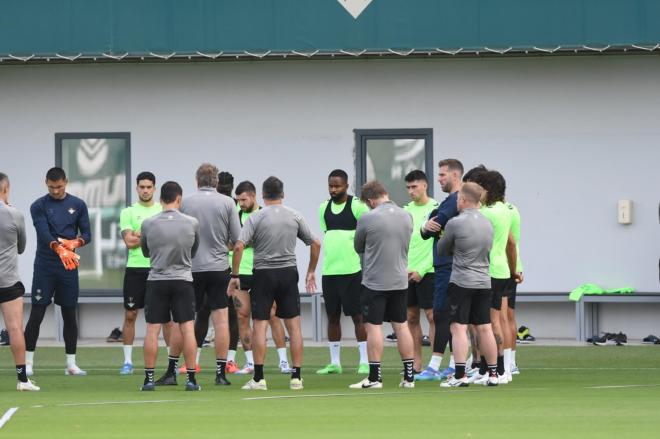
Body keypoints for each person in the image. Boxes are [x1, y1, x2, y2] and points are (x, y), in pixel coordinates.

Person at [229, 176, 320, 390]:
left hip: (263, 274)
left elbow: (239, 246)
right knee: (294, 326)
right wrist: (311, 271)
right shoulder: (294, 215)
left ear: (262, 195)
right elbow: (315, 243)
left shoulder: (256, 217)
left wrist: (234, 276)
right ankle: (296, 378)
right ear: (283, 194)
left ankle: (259, 379)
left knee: (260, 324)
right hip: (288, 273)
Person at [172, 163, 241, 386]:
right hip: (219, 267)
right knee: (221, 321)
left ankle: (179, 368)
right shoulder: (228, 202)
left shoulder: (187, 202)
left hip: (191, 268)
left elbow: (179, 235)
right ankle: (220, 372)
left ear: (196, 181)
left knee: (185, 321)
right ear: (216, 182)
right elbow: (236, 240)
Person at [24, 167, 90, 376]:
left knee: (70, 313)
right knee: (37, 313)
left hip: (68, 266)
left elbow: (87, 234)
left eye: (59, 187)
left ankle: (71, 364)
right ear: (46, 183)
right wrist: (58, 247)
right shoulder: (38, 206)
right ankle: (27, 363)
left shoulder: (78, 205)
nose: (55, 191)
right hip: (45, 266)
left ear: (66, 182)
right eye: (52, 187)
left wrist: (75, 242)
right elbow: (42, 231)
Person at [349, 181, 415, 389]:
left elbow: (358, 246)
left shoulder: (367, 217)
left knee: (373, 327)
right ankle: (409, 376)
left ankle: (375, 377)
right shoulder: (406, 215)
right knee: (401, 326)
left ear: (370, 201)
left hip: (375, 281)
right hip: (400, 280)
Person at [140, 181, 200, 391]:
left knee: (152, 330)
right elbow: (193, 251)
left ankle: (148, 380)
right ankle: (191, 379)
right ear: (179, 199)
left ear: (160, 198)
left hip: (157, 280)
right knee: (187, 329)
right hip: (183, 280)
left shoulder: (148, 223)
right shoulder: (192, 223)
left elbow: (145, 252)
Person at [438, 183, 499, 387]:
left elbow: (442, 249)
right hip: (484, 280)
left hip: (462, 281)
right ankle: (493, 374)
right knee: (485, 327)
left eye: (458, 199)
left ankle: (460, 375)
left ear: (463, 200)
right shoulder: (487, 222)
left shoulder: (455, 223)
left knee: (458, 327)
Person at [231, 180, 293, 375]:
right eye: (238, 200)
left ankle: (283, 361)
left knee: (272, 315)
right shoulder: (236, 216)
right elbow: (231, 243)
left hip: (261, 272)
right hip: (241, 273)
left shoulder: (263, 215)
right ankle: (250, 362)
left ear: (254, 196)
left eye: (244, 199)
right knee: (242, 317)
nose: (240, 203)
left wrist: (246, 242)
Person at [317, 169, 369, 375]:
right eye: (330, 185)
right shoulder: (323, 208)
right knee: (332, 316)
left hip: (352, 272)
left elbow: (367, 234)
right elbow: (327, 235)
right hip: (330, 272)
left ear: (347, 186)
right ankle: (335, 363)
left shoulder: (358, 207)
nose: (333, 189)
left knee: (358, 317)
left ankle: (364, 361)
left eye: (337, 186)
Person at [416, 159, 463, 381]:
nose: (439, 178)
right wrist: (426, 225)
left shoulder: (457, 201)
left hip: (449, 265)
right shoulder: (446, 202)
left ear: (455, 175)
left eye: (443, 175)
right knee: (449, 315)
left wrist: (429, 224)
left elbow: (437, 222)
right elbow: (427, 231)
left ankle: (436, 366)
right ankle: (455, 364)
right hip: (445, 264)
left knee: (443, 313)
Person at [473, 170, 520, 384]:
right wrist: (513, 269)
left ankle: (497, 370)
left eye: (480, 189)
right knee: (497, 320)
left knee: (489, 322)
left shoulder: (487, 213)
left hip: (488, 270)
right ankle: (498, 369)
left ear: (488, 190)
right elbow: (511, 242)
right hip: (501, 269)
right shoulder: (505, 210)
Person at [118, 172, 164, 375]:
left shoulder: (162, 210)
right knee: (130, 314)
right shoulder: (128, 212)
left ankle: (171, 363)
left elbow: (165, 240)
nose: (145, 190)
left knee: (163, 318)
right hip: (135, 269)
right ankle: (128, 361)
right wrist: (147, 235)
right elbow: (129, 242)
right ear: (137, 188)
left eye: (149, 187)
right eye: (142, 187)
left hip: (158, 268)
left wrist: (139, 233)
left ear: (155, 188)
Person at [0, 173, 40, 391]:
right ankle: (22, 380)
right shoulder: (14, 214)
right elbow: (21, 247)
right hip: (8, 280)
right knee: (15, 328)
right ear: (6, 189)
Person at [403, 170, 439, 374]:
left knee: (433, 316)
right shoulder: (405, 210)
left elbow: (440, 245)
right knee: (410, 318)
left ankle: (434, 365)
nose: (411, 191)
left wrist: (423, 270)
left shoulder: (436, 209)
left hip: (429, 271)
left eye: (414, 186)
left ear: (425, 186)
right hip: (407, 272)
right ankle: (416, 364)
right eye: (408, 187)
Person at [506, 201, 524, 376]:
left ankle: (509, 361)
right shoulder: (512, 209)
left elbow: (511, 243)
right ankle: (509, 361)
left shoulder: (503, 211)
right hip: (509, 267)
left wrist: (514, 268)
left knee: (504, 317)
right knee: (505, 317)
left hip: (504, 269)